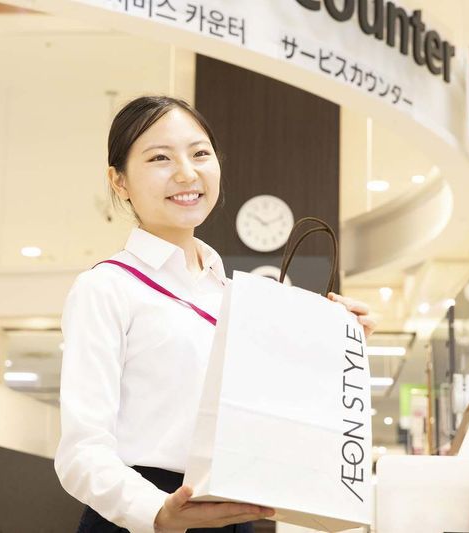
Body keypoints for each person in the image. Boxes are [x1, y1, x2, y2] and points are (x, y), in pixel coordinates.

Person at [55, 95, 377, 533]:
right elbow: (81, 451)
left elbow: (273, 414)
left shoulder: (237, 297)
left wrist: (336, 348)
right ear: (119, 181)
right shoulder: (106, 288)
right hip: (144, 516)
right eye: (160, 158)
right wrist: (157, 511)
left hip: (234, 514)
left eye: (200, 153)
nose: (187, 173)